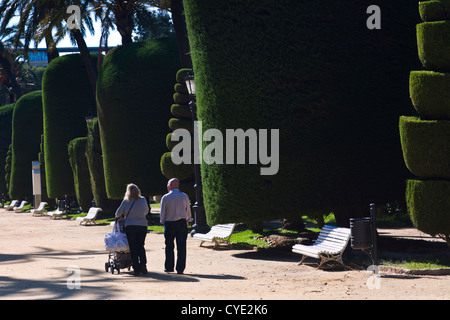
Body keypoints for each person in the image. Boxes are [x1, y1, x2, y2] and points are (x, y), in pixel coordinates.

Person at [115, 183, 149, 276]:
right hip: (142, 225)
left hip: (130, 226)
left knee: (133, 248)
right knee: (141, 246)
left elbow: (117, 213)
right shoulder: (143, 200)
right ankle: (143, 265)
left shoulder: (126, 201)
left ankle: (136, 268)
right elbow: (146, 211)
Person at [160, 178, 192, 274]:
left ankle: (169, 267)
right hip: (182, 223)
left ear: (169, 186)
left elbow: (162, 212)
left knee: (169, 246)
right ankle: (180, 268)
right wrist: (188, 219)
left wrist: (163, 221)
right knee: (182, 247)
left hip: (170, 223)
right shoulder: (184, 196)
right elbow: (188, 210)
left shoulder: (165, 197)